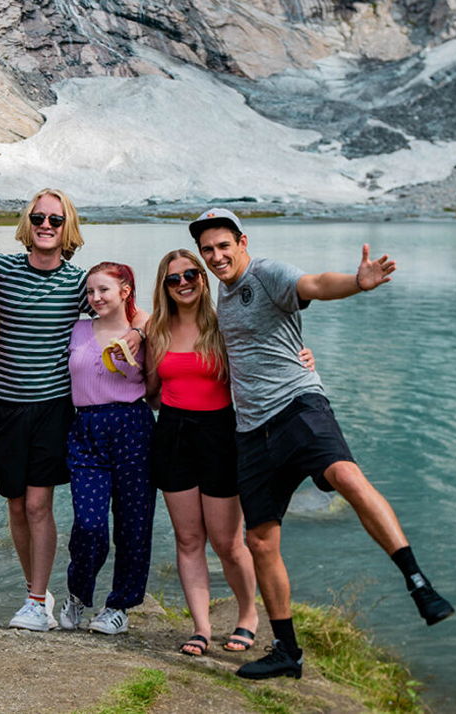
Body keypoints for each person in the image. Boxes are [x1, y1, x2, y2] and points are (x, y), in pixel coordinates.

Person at [189, 208, 455, 680]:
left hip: (297, 405)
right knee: (259, 540)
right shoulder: (223, 300)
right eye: (207, 250)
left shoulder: (268, 272)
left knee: (345, 474)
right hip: (251, 430)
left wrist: (357, 282)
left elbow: (312, 284)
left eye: (223, 246)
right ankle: (287, 652)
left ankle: (418, 583)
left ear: (242, 241)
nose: (215, 256)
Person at [0, 188, 147, 631]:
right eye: (38, 217)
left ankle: (37, 602)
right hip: (5, 402)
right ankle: (37, 591)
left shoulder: (79, 283)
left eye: (55, 221)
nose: (45, 226)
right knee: (16, 506)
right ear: (27, 222)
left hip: (55, 408)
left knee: (39, 504)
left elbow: (127, 310)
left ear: (66, 229)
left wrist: (139, 333)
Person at [145, 250, 316, 656]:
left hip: (220, 433)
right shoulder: (156, 328)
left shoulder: (224, 323)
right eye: (174, 278)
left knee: (226, 541)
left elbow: (268, 350)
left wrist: (303, 358)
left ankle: (247, 615)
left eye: (191, 274)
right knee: (188, 539)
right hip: (172, 434)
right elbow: (150, 392)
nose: (184, 282)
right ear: (164, 286)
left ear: (203, 280)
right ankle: (201, 628)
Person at [57, 263, 156, 635]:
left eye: (104, 291)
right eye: (91, 292)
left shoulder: (147, 331)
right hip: (86, 428)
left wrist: (141, 328)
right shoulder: (78, 329)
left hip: (133, 426)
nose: (95, 298)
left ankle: (119, 605)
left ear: (125, 291)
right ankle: (78, 595)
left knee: (133, 523)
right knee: (89, 523)